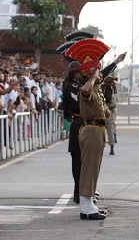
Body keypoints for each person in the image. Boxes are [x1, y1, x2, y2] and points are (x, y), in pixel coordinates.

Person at [64, 38, 112, 220]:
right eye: (98, 72)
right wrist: (92, 77)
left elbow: (106, 113)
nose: (100, 75)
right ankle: (85, 205)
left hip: (98, 129)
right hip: (91, 130)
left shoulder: (97, 89)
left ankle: (89, 202)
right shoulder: (87, 88)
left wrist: (106, 88)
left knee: (94, 167)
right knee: (88, 167)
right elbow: (84, 91)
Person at [62, 61, 83, 203]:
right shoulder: (70, 86)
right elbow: (75, 105)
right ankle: (78, 191)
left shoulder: (80, 85)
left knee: (84, 161)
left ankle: (83, 190)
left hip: (83, 125)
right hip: (77, 125)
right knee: (77, 160)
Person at [102, 76, 118, 155]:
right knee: (102, 131)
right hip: (103, 114)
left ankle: (112, 147)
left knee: (110, 131)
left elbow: (114, 104)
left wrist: (105, 107)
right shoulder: (103, 88)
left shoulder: (111, 89)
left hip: (110, 113)